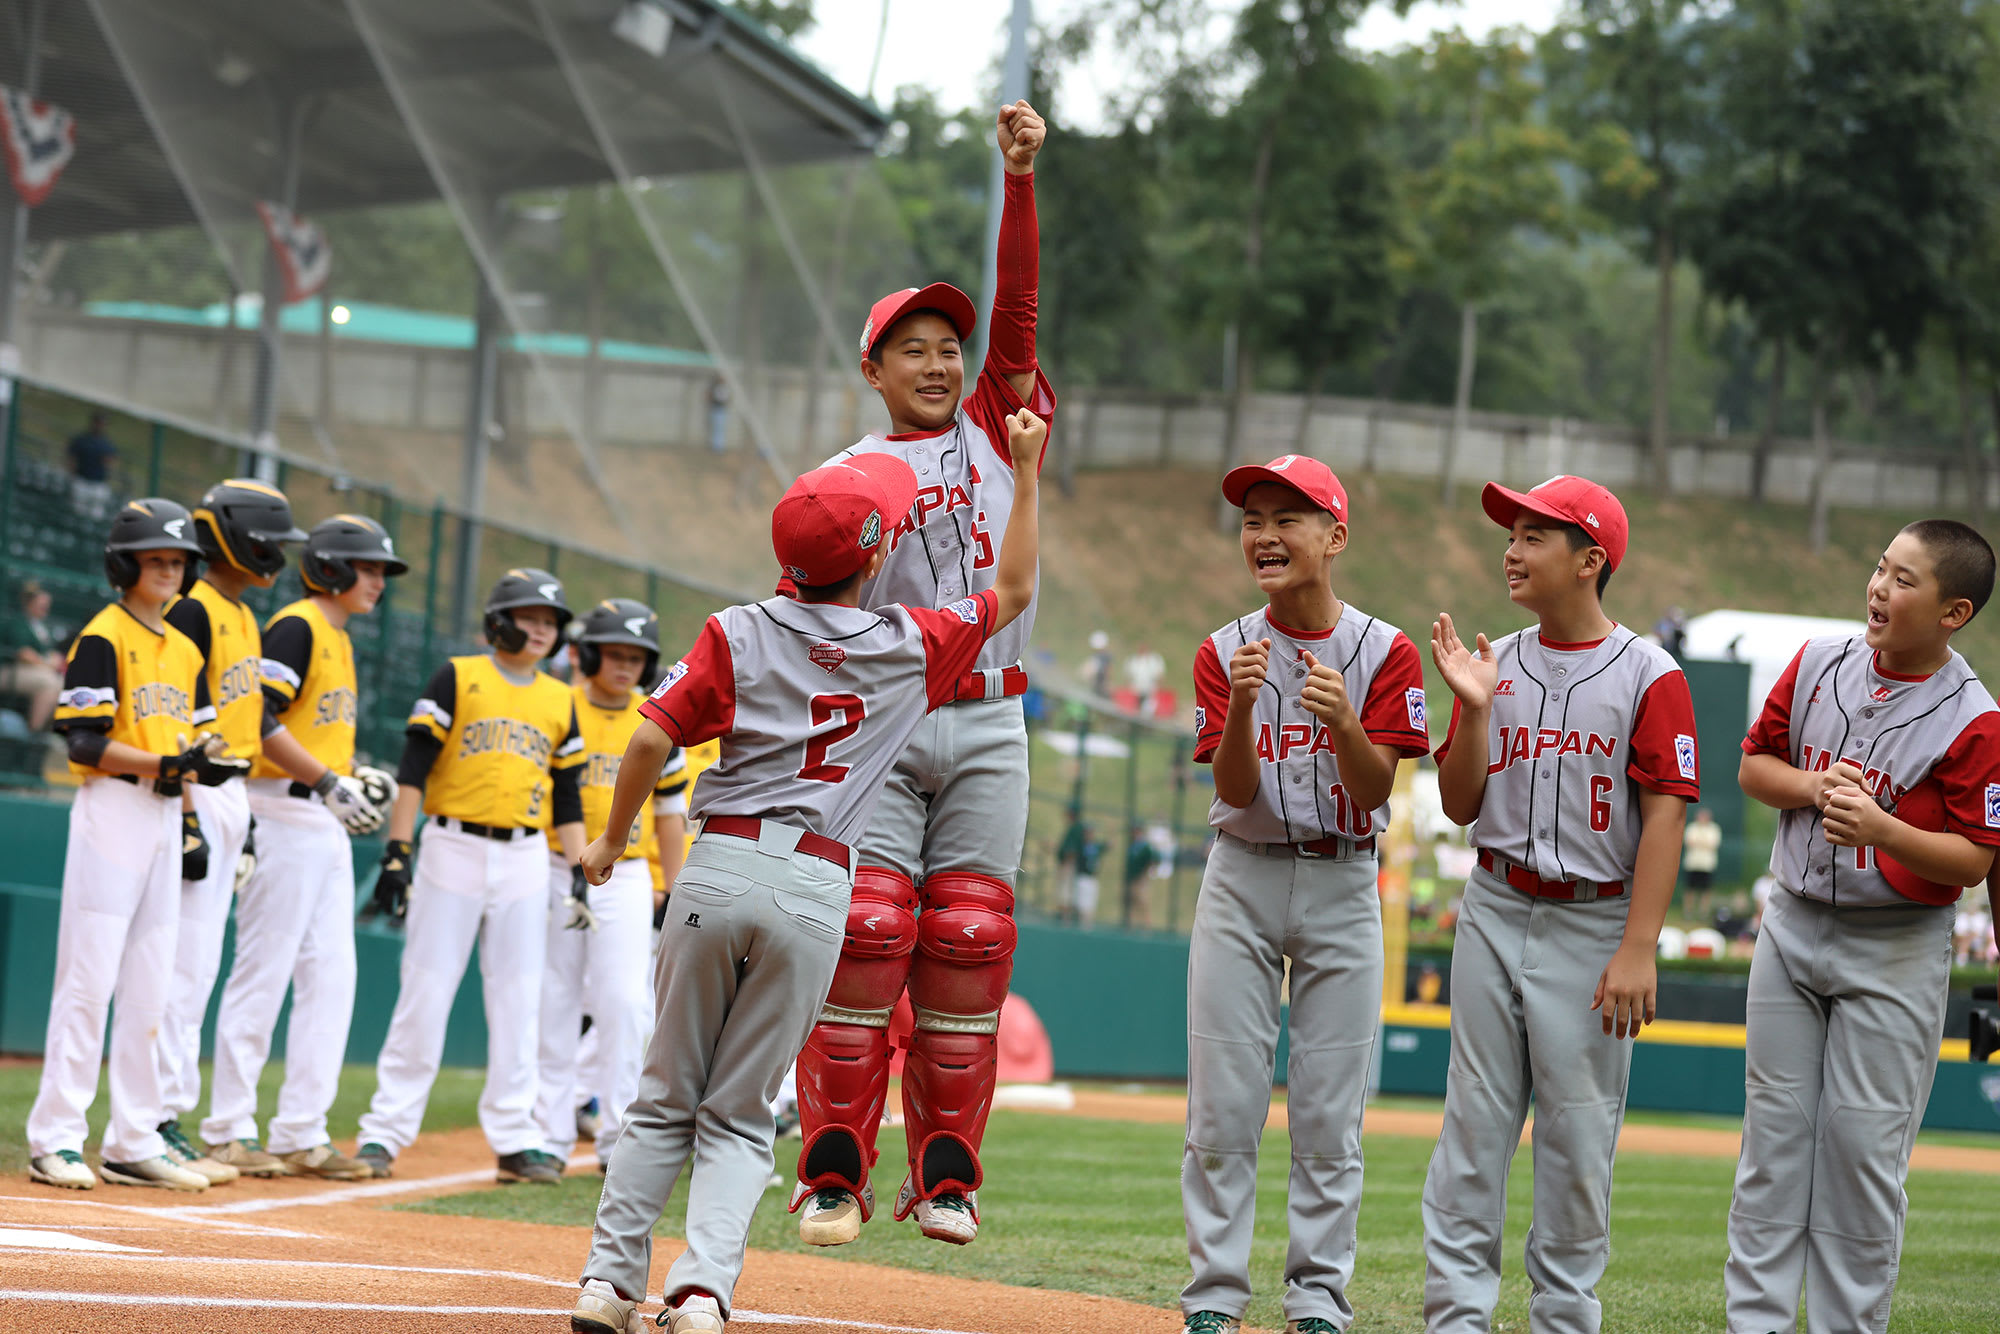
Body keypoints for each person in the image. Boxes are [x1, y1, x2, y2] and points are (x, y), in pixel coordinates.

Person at [569, 421, 1043, 1334]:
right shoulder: (908, 640)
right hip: (818, 884)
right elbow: (1014, 588)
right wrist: (1022, 471)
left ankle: (607, 1282)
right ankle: (703, 1293)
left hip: (719, 865)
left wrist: (610, 840)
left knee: (665, 1093)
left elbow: (646, 737)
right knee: (743, 1111)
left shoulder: (735, 631)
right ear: (874, 560)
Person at [790, 97, 1050, 1251]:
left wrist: (1019, 182)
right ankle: (832, 1165)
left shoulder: (999, 426)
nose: (941, 360)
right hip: (890, 719)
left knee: (968, 936)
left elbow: (1022, 309)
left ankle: (947, 1171)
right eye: (916, 346)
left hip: (990, 714)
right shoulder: (843, 475)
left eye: (951, 345)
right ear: (872, 366)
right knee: (867, 926)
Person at [1422, 474, 1698, 1334]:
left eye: (1535, 535)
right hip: (1496, 903)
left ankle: (1564, 1321)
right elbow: (1460, 805)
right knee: (1471, 1133)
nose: (1512, 548)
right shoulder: (1490, 659)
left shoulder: (1651, 674)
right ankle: (1456, 1320)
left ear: (1591, 560)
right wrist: (1472, 711)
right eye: (1512, 533)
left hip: (1594, 920)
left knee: (1577, 1146)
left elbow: (1665, 819)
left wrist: (1639, 947)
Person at [1725, 520, 2000, 1333]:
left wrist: (1883, 830)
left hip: (1896, 945)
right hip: (1791, 924)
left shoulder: (1975, 718)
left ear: (1954, 612)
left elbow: (1976, 859)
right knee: (1772, 1151)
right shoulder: (1816, 664)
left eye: (1905, 580)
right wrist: (1812, 789)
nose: (1880, 588)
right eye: (1881, 569)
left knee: (1861, 1158)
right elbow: (1752, 767)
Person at [1181, 454, 1430, 1334]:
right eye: (1254, 518)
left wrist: (1346, 724)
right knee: (1223, 1104)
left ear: (1336, 536)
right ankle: (1213, 1298)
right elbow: (1236, 790)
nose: (1266, 535)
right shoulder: (1223, 648)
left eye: (1289, 517)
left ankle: (1317, 1301)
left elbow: (1373, 793)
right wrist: (1244, 709)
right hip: (1242, 875)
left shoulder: (1385, 649)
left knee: (1330, 1112)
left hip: (1341, 877)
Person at [25, 500, 248, 1191]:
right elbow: (84, 740)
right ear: (125, 565)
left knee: (153, 985)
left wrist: (188, 807)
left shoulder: (184, 647)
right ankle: (55, 1137)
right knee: (89, 981)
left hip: (159, 814)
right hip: (113, 810)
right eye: (155, 559)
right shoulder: (104, 633)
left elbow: (197, 742)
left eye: (178, 561)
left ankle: (132, 1137)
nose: (168, 570)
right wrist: (170, 770)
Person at [352, 569, 587, 1185]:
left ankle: (516, 1137)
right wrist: (397, 850)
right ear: (498, 619)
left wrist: (583, 865)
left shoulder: (560, 698)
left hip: (526, 857)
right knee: (426, 988)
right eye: (530, 616)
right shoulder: (457, 676)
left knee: (518, 998)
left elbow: (566, 796)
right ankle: (384, 1131)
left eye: (550, 620)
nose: (541, 629)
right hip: (452, 843)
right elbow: (413, 768)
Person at [199, 514, 407, 1180]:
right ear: (332, 569)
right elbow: (255, 722)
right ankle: (228, 1128)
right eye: (368, 568)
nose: (377, 581)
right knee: (263, 973)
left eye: (380, 570)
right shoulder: (296, 625)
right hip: (281, 812)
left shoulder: (336, 636)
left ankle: (299, 1133)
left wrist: (344, 775)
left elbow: (306, 727)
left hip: (320, 820)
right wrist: (325, 779)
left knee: (331, 979)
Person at [154, 480, 311, 1187]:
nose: (277, 554)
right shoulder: (194, 609)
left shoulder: (244, 614)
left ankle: (167, 1116)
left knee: (198, 967)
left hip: (232, 794)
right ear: (235, 539)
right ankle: (156, 1117)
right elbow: (181, 714)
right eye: (269, 540)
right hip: (193, 791)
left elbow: (245, 721)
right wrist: (189, 814)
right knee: (180, 965)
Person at [534, 599, 689, 1172]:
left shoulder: (650, 716)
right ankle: (546, 1138)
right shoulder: (560, 705)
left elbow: (671, 812)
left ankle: (615, 1137)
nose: (624, 666)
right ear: (589, 653)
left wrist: (671, 889)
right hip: (555, 867)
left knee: (625, 1002)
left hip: (626, 876)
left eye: (636, 657)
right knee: (555, 999)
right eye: (614, 654)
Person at [0, 580, 64, 729]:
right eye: (41, 603)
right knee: (49, 683)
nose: (45, 607)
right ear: (30, 602)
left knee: (61, 685)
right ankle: (34, 732)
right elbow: (24, 655)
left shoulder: (43, 627)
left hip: (36, 672)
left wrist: (55, 660)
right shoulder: (18, 622)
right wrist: (48, 665)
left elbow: (52, 653)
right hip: (10, 670)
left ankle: (46, 733)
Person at [65, 412, 117, 515]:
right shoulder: (82, 440)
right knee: (77, 512)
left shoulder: (106, 444)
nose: (100, 426)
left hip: (98, 483)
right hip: (81, 480)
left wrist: (107, 462)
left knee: (96, 514)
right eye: (98, 423)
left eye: (103, 424)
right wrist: (72, 474)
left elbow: (111, 463)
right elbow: (71, 458)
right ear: (93, 423)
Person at [1681, 805, 1722, 923]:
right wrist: (1704, 842)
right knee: (1690, 889)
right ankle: (1688, 912)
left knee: (1706, 890)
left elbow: (1713, 844)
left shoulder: (1714, 829)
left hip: (1707, 865)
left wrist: (1699, 842)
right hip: (1692, 864)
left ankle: (1703, 913)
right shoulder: (1691, 828)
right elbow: (1689, 842)